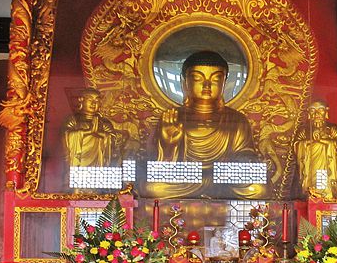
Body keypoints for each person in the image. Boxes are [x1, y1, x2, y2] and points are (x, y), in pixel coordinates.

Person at [150, 51, 265, 199]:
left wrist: (245, 161)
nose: (207, 85)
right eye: (197, 78)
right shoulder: (172, 118)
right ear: (185, 82)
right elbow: (160, 169)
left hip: (224, 181)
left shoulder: (236, 119)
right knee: (153, 188)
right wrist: (168, 145)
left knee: (258, 188)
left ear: (224, 83)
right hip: (187, 180)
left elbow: (245, 155)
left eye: (216, 79)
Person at [294, 101, 337, 199]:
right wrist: (309, 142)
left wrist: (322, 141)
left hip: (327, 169)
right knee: (311, 187)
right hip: (310, 170)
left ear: (326, 113)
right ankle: (309, 193)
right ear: (309, 114)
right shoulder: (304, 131)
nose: (317, 114)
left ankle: (328, 195)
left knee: (324, 186)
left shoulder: (332, 130)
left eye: (320, 110)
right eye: (313, 111)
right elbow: (297, 146)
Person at [62, 88, 123, 168]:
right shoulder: (74, 120)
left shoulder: (104, 123)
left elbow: (114, 141)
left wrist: (99, 133)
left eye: (97, 101)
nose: (94, 103)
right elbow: (65, 137)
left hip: (98, 166)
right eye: (90, 100)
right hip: (79, 163)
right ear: (81, 100)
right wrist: (87, 132)